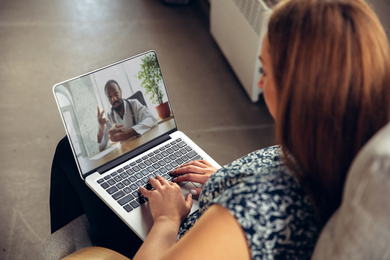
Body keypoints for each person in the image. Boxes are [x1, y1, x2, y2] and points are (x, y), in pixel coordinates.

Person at [49, 0, 390, 258]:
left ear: (300, 94)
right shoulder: (339, 151)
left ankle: (85, 250)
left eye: (266, 71)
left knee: (70, 155)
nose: (260, 81)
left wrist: (166, 220)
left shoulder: (248, 214)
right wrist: (227, 176)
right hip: (201, 200)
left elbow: (246, 219)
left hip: (169, 235)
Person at [97, 80, 158, 151]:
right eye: (110, 97)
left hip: (144, 146)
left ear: (121, 91)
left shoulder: (134, 104)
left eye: (116, 93)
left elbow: (152, 119)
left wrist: (130, 132)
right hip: (127, 151)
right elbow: (101, 147)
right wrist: (100, 128)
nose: (114, 99)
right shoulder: (110, 115)